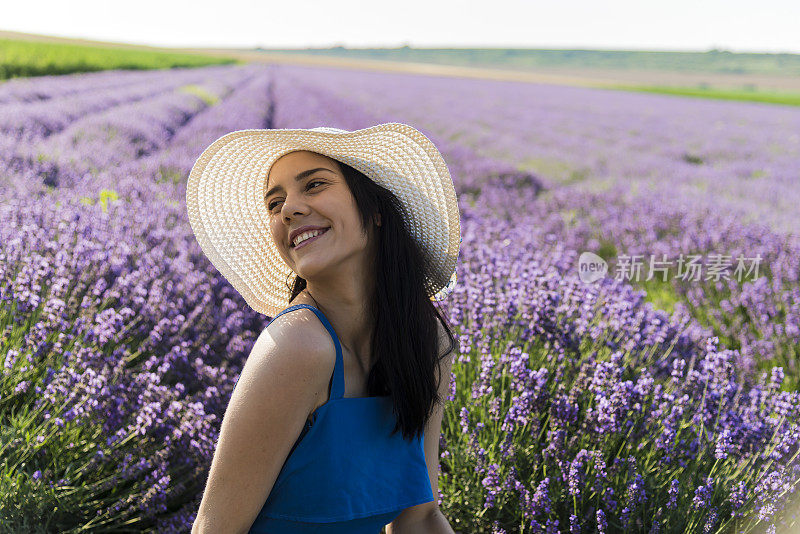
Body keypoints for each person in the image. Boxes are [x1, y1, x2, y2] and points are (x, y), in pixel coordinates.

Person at [186, 123, 462, 533]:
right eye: (274, 202)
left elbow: (419, 517)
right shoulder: (298, 348)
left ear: (374, 208)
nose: (288, 210)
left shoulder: (424, 341)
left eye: (314, 185)